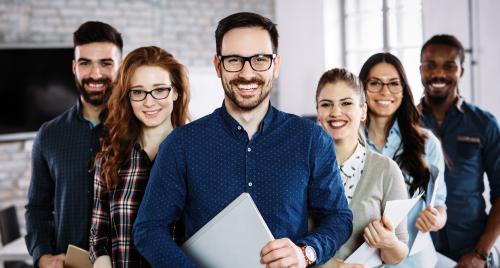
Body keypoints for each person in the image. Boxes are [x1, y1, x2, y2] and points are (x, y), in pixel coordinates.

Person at [133, 12, 353, 267]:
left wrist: (307, 252)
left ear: (276, 64)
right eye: (234, 60)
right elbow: (148, 229)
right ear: (218, 65)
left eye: (260, 59)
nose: (247, 73)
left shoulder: (311, 139)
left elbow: (338, 217)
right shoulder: (182, 144)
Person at [24, 21, 122, 268]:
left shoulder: (138, 130)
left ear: (120, 68)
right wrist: (42, 255)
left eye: (106, 63)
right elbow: (37, 207)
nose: (95, 74)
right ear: (74, 67)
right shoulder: (49, 135)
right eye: (85, 63)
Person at [89, 46, 191, 268]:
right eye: (138, 92)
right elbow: (98, 241)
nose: (149, 102)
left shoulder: (197, 156)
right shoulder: (109, 161)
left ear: (176, 91)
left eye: (159, 90)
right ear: (128, 97)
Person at [358, 52, 448, 267]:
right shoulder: (347, 143)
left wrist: (436, 220)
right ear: (361, 89)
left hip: (413, 261)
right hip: (361, 260)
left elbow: (439, 205)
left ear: (404, 90)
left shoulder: (427, 143)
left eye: (393, 84)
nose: (385, 91)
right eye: (375, 83)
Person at [419, 34, 500, 267]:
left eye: (449, 66)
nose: (438, 74)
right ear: (420, 70)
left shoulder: (484, 124)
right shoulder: (406, 124)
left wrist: (481, 253)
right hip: (420, 251)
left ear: (461, 71)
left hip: (471, 250)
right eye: (430, 65)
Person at [315, 68, 409, 268]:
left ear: (363, 111)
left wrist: (388, 242)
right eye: (326, 104)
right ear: (318, 113)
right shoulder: (301, 169)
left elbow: (398, 254)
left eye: (346, 103)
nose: (336, 112)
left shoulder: (386, 170)